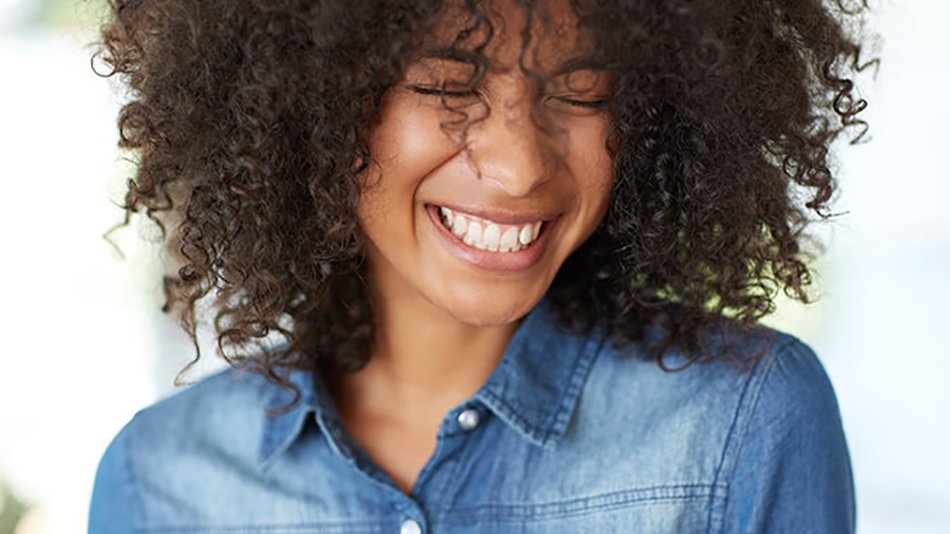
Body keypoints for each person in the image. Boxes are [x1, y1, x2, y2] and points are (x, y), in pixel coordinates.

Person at [89, 0, 870, 531]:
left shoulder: (741, 423)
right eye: (447, 87)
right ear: (312, 106)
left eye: (582, 90)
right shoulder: (157, 479)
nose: (520, 165)